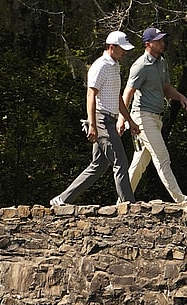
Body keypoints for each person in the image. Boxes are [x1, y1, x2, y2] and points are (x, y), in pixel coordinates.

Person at [50, 31, 140, 206]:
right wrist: (93, 124)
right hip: (101, 120)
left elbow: (117, 97)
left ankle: (62, 199)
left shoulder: (114, 65)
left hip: (109, 119)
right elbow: (91, 95)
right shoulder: (100, 66)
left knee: (98, 166)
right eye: (122, 49)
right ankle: (128, 204)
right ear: (111, 47)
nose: (125, 53)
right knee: (120, 162)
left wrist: (129, 120)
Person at [118, 27, 187, 205]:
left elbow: (165, 88)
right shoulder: (140, 65)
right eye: (158, 41)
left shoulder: (161, 63)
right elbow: (127, 93)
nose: (162, 43)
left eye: (163, 40)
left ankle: (122, 201)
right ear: (148, 44)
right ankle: (182, 201)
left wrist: (180, 97)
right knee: (163, 158)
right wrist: (122, 119)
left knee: (139, 163)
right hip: (142, 117)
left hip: (156, 118)